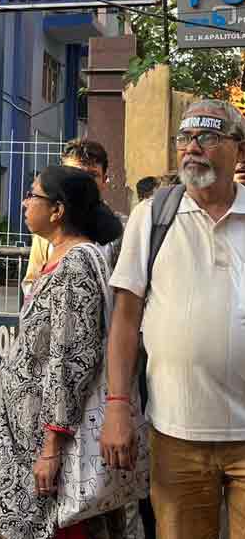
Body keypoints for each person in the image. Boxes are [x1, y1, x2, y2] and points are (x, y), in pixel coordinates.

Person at [101, 99, 245, 539]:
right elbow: (125, 322)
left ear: (239, 150)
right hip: (176, 434)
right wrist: (117, 408)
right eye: (184, 138)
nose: (192, 148)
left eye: (208, 136)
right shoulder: (152, 216)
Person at [0, 165, 125, 539]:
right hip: (33, 437)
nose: (24, 202)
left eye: (32, 195)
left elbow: (72, 358)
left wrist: (52, 446)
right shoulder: (64, 258)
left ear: (57, 210)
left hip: (54, 445)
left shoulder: (76, 264)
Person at [23, 139, 113, 291]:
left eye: (92, 176)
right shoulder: (47, 228)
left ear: (104, 180)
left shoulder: (122, 233)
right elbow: (31, 282)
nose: (83, 183)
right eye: (75, 175)